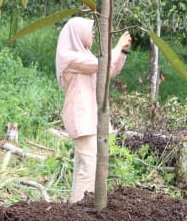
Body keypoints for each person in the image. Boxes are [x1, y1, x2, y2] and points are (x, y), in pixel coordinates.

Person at [55, 17, 132, 203]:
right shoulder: (69, 57)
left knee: (84, 164)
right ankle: (81, 210)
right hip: (79, 117)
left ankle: (74, 209)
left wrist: (122, 52)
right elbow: (102, 64)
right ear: (78, 33)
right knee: (89, 165)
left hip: (88, 117)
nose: (93, 35)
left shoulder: (85, 56)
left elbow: (109, 70)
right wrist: (117, 45)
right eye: (90, 31)